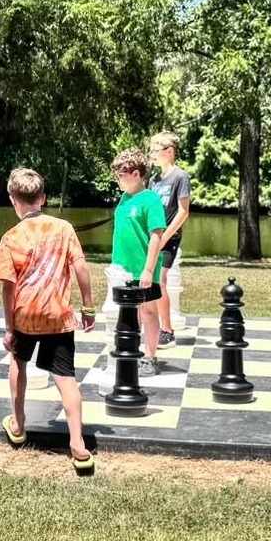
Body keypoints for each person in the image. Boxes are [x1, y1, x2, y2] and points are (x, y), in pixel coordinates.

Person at [0, 167, 97, 473]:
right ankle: (78, 445)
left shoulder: (11, 237)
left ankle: (18, 424)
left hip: (25, 314)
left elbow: (8, 287)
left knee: (18, 363)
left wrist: (9, 328)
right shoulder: (64, 228)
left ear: (13, 200)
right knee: (66, 378)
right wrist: (88, 307)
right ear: (43, 198)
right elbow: (81, 266)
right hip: (58, 314)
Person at [110, 147, 167, 376]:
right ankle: (130, 351)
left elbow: (156, 235)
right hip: (121, 269)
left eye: (121, 175)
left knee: (148, 312)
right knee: (128, 313)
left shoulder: (151, 200)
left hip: (142, 268)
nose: (118, 180)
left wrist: (148, 269)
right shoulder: (124, 199)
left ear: (136, 174)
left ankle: (150, 357)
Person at [148, 131, 192, 348]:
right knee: (149, 281)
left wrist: (164, 237)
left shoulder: (180, 177)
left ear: (169, 152)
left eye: (155, 150)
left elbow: (183, 211)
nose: (152, 155)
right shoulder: (153, 180)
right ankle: (151, 326)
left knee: (160, 280)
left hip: (169, 238)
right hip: (152, 237)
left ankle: (167, 330)